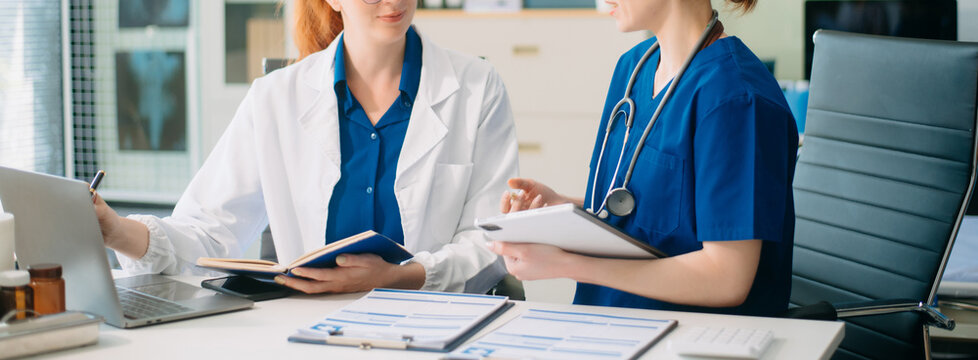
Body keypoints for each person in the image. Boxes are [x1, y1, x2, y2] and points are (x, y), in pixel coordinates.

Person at [93, 0, 518, 294]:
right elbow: (209, 232)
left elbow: (491, 242)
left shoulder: (477, 89)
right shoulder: (275, 98)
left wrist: (398, 277)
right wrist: (116, 231)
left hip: (434, 323)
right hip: (307, 329)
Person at [492, 0, 798, 316]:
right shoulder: (634, 67)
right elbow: (654, 211)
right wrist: (565, 208)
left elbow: (727, 278)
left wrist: (568, 264)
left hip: (694, 335)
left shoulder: (736, 100)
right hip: (608, 322)